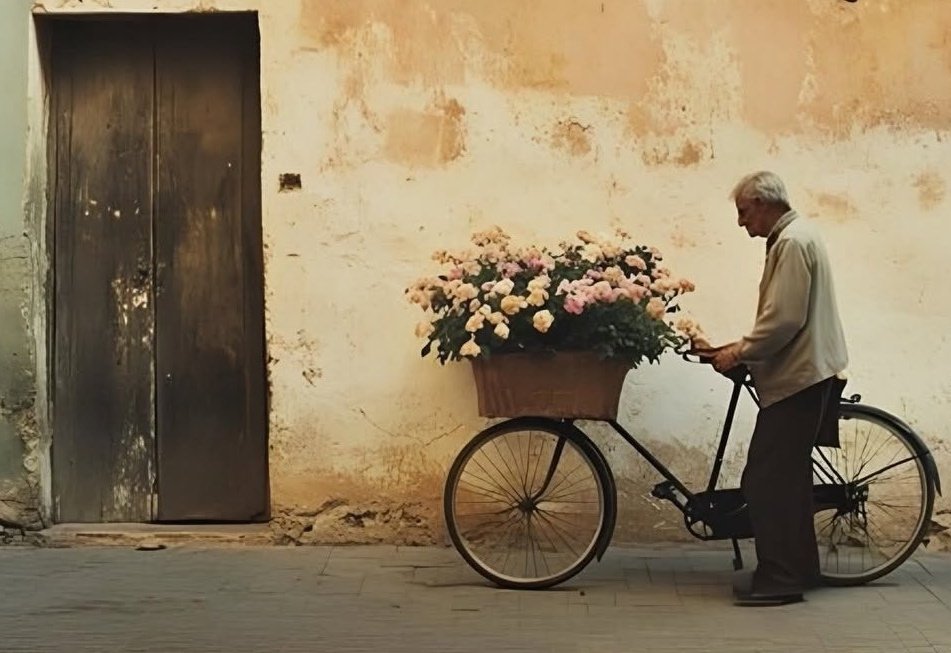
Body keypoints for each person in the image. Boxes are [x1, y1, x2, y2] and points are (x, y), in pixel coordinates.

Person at [710, 171, 848, 607]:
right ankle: (799, 567)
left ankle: (781, 577)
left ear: (764, 203)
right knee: (788, 480)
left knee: (767, 481)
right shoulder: (797, 235)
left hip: (798, 377)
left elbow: (784, 319)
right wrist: (742, 349)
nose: (741, 222)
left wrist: (741, 352)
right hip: (807, 371)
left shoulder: (790, 243)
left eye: (743, 212)